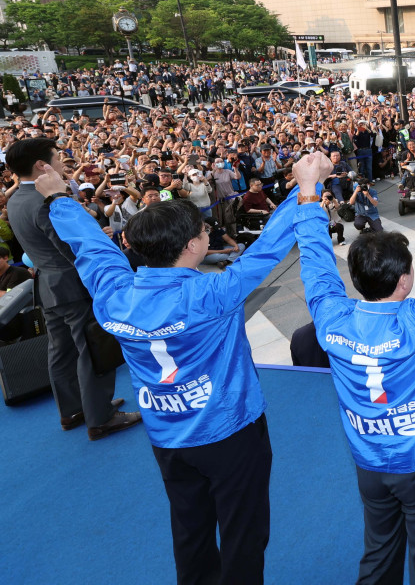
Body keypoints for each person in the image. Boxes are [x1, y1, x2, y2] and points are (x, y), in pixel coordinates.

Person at [38, 164, 312, 584]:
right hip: (229, 431)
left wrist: (58, 200)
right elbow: (268, 248)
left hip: (166, 433)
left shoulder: (114, 296)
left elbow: (91, 247)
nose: (208, 235)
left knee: (190, 528)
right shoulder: (212, 294)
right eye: (203, 232)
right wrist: (306, 190)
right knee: (243, 531)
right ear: (192, 246)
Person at [291, 152, 415, 585]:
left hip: (368, 458)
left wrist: (307, 195)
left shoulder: (331, 319)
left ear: (356, 280)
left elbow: (317, 269)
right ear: (406, 280)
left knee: (379, 550)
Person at [4, 138, 139, 439]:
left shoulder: (15, 199)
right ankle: (101, 417)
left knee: (61, 351)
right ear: (41, 165)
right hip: (74, 286)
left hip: (49, 287)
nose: (61, 162)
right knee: (93, 348)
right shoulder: (46, 201)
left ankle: (74, 410)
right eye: (56, 156)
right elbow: (71, 249)